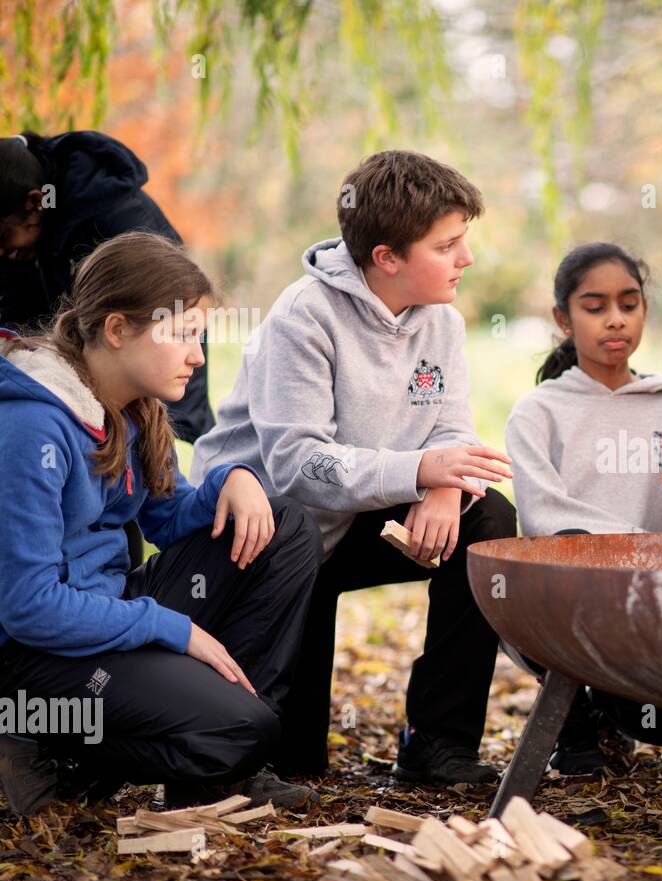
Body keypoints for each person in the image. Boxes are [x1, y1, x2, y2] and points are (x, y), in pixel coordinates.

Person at [191, 150, 517, 788]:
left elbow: (450, 425)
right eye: (447, 245)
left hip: (358, 519)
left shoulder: (441, 321)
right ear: (388, 258)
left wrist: (445, 489)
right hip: (270, 538)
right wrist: (420, 469)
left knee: (490, 522)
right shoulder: (302, 316)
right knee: (296, 767)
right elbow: (296, 467)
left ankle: (437, 744)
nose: (466, 259)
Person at [0, 232, 321, 817]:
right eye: (182, 336)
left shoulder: (131, 410)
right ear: (117, 330)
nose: (197, 357)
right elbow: (28, 607)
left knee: (286, 524)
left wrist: (233, 481)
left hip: (106, 611)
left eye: (198, 338)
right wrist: (169, 628)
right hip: (36, 655)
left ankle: (227, 766)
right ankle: (43, 743)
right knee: (241, 729)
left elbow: (172, 518)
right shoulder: (32, 429)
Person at [505, 242, 662, 775]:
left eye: (629, 304)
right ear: (562, 319)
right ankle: (574, 724)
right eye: (595, 307)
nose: (615, 321)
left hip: (652, 593)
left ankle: (607, 710)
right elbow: (543, 514)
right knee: (548, 560)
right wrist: (638, 543)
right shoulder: (538, 411)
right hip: (564, 594)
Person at [0, 130, 214, 442]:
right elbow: (19, 323)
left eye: (2, 237)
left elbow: (178, 317)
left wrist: (184, 424)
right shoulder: (28, 234)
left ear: (35, 203)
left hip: (138, 379)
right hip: (72, 392)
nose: (3, 253)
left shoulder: (113, 214)